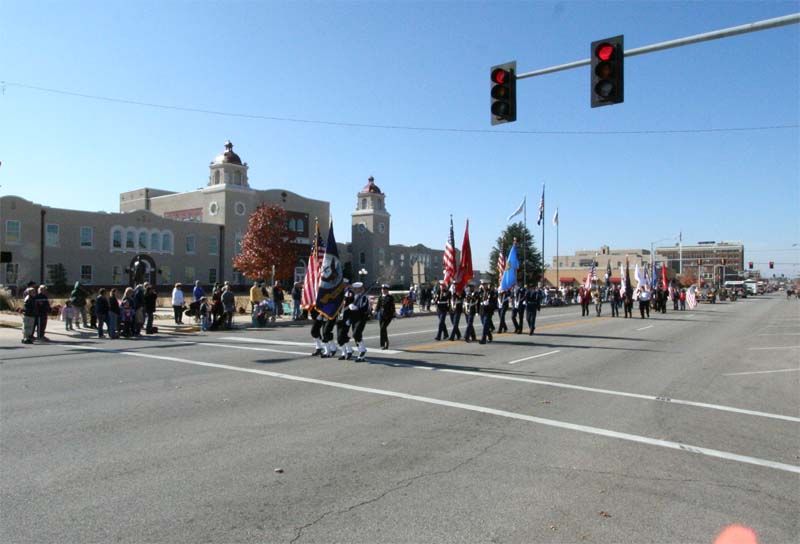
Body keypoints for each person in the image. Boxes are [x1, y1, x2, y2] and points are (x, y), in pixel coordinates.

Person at [350, 282, 370, 362]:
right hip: (354, 318)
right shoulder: (354, 297)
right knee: (356, 336)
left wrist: (356, 308)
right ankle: (361, 354)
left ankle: (363, 350)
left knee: (356, 333)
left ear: (361, 289)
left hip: (361, 318)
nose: (356, 290)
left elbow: (364, 309)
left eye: (357, 289)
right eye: (355, 289)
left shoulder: (364, 297)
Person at [336, 286, 356, 360]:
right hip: (339, 319)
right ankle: (344, 353)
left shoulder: (350, 295)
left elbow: (352, 308)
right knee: (339, 338)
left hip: (346, 319)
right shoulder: (340, 296)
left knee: (343, 335)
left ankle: (349, 351)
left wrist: (350, 319)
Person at [376, 284, 396, 350]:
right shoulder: (380, 297)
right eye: (382, 289)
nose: (383, 290)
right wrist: (375, 311)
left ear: (387, 290)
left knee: (382, 328)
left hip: (388, 316)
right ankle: (385, 343)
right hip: (381, 315)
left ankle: (383, 344)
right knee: (382, 329)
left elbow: (393, 307)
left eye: (385, 289)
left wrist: (394, 315)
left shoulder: (390, 297)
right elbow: (378, 305)